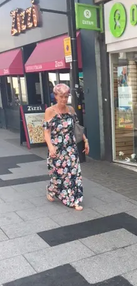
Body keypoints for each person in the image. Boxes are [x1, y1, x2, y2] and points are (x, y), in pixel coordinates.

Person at [43, 83, 89, 211]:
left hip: (71, 148)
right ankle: (52, 190)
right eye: (61, 96)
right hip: (56, 148)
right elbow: (46, 132)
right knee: (58, 175)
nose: (64, 99)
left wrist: (85, 140)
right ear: (56, 96)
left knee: (73, 174)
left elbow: (77, 129)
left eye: (66, 97)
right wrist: (51, 147)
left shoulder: (71, 110)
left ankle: (74, 199)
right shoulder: (49, 111)